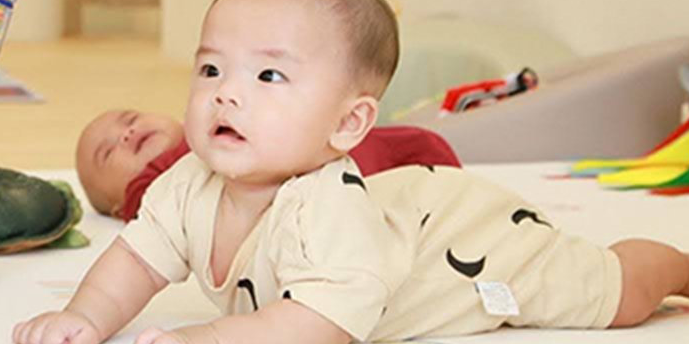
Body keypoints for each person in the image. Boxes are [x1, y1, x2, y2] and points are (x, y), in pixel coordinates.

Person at [14, 0, 689, 344]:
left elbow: (319, 326)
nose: (227, 92)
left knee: (613, 292)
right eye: (211, 68)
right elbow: (133, 261)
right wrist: (86, 318)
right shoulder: (191, 185)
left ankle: (680, 268)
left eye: (269, 77)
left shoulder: (325, 204)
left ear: (348, 124)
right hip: (407, 214)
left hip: (473, 252)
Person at [75, 109, 460, 220]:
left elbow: (419, 145)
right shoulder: (154, 193)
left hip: (351, 158)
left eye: (129, 120)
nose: (126, 135)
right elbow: (153, 202)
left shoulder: (222, 119)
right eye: (108, 153)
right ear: (116, 206)